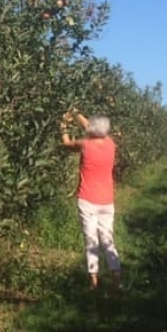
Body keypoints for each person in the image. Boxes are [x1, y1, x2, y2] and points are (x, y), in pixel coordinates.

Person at [60, 109, 121, 291]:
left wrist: (64, 125)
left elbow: (66, 143)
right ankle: (117, 281)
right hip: (107, 201)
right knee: (107, 239)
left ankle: (93, 283)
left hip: (87, 200)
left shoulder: (85, 144)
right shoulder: (111, 144)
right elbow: (89, 126)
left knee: (91, 240)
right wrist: (76, 112)